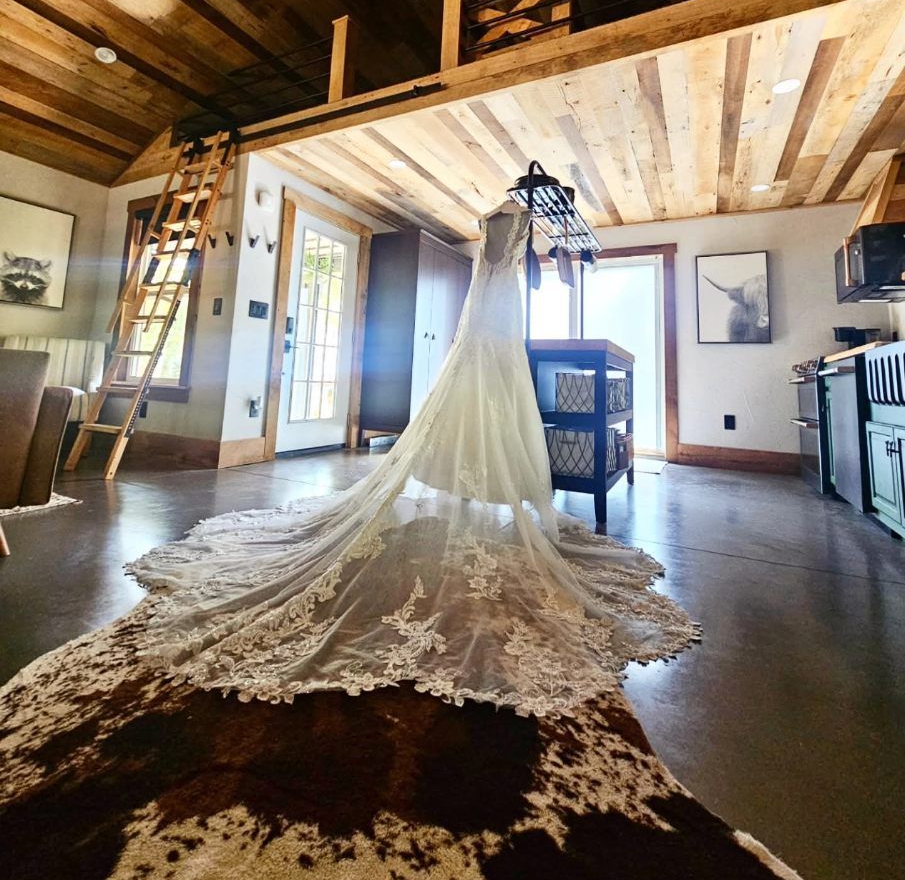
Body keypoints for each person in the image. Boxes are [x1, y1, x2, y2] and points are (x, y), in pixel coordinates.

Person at [129, 204, 697, 716]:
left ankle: (481, 494)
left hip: (496, 337)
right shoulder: (507, 221)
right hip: (489, 337)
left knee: (498, 419)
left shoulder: (510, 227)